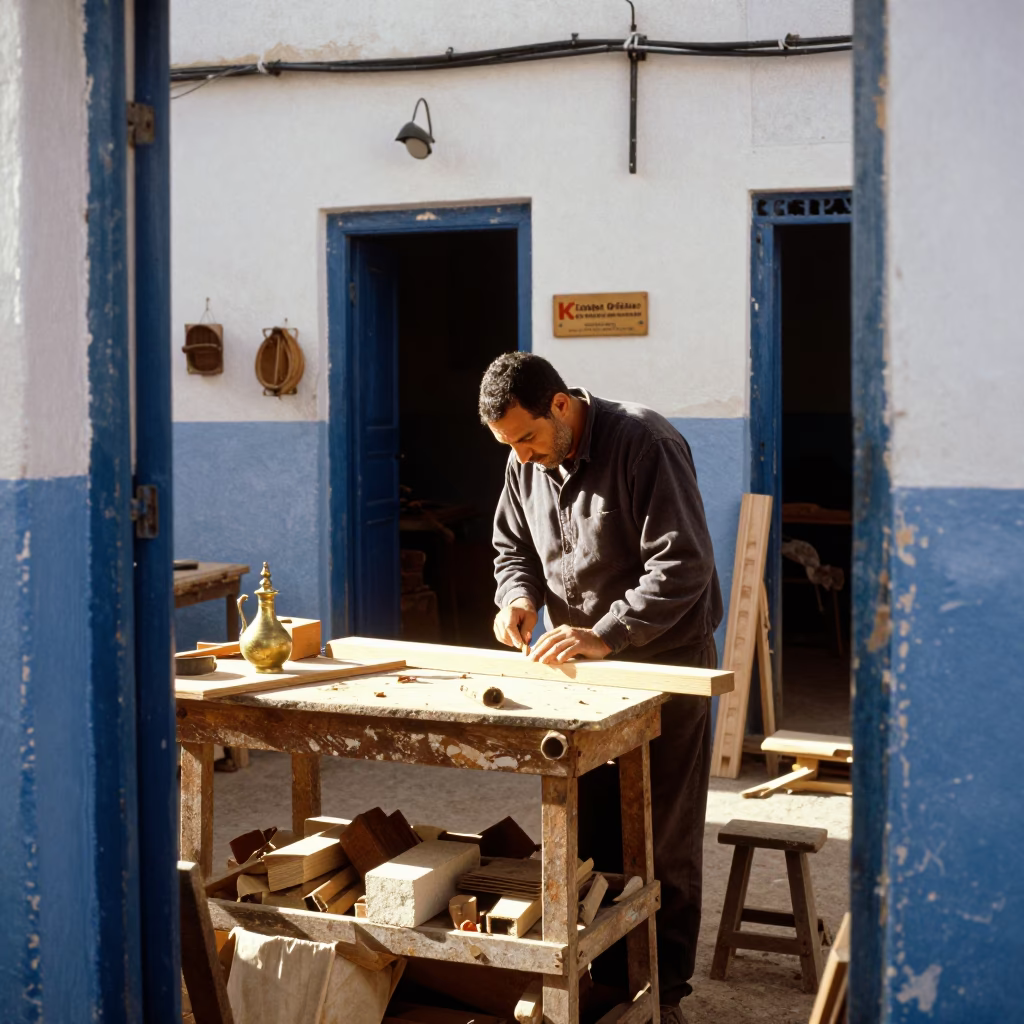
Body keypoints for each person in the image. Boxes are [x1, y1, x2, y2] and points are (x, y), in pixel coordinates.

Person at [479, 352, 723, 1024]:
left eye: (526, 438)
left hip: (666, 664)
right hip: (583, 672)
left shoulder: (646, 442)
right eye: (509, 447)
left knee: (661, 834)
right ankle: (605, 978)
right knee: (590, 830)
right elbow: (512, 548)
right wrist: (518, 598)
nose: (523, 458)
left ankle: (664, 991)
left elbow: (685, 564)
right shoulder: (523, 458)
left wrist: (609, 632)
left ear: (561, 405)